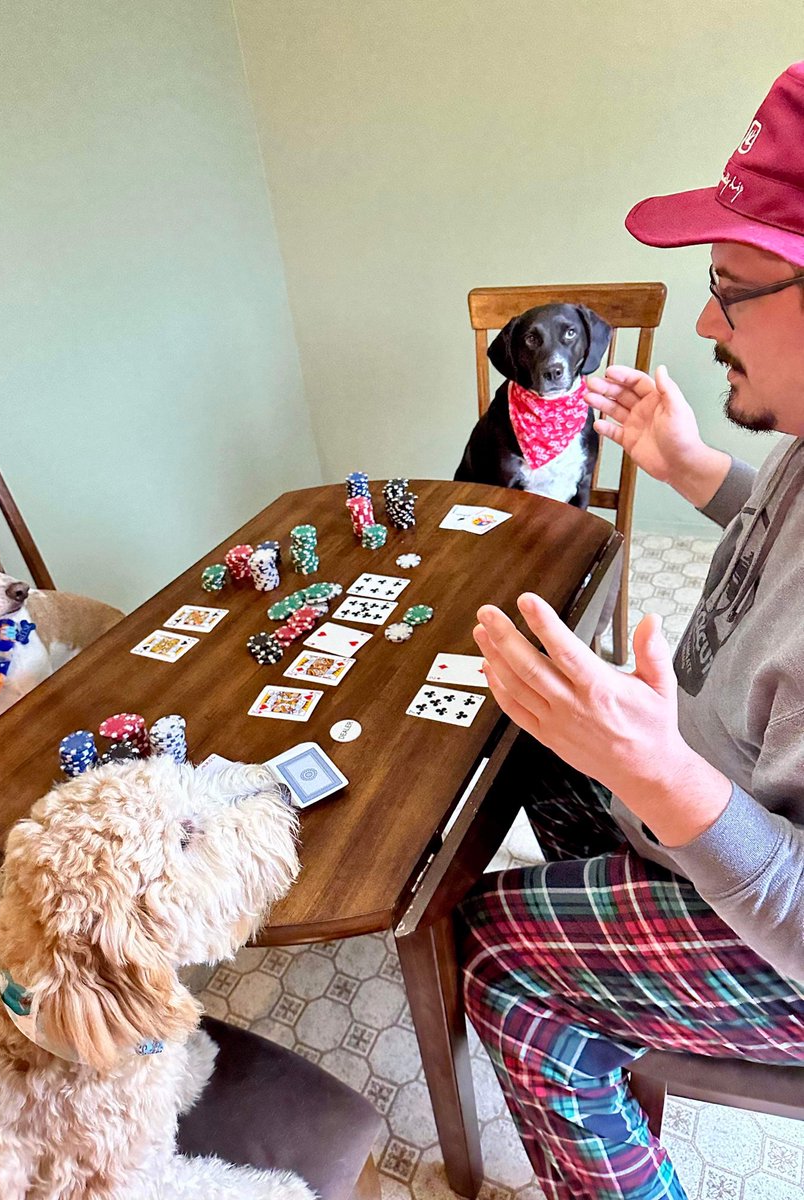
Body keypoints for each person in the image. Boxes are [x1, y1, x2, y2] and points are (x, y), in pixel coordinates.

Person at [459, 62, 804, 1200]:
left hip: (781, 941)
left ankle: (591, 996)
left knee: (500, 952)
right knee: (524, 746)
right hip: (707, 811)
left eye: (733, 288)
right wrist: (701, 471)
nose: (704, 320)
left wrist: (662, 778)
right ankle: (622, 977)